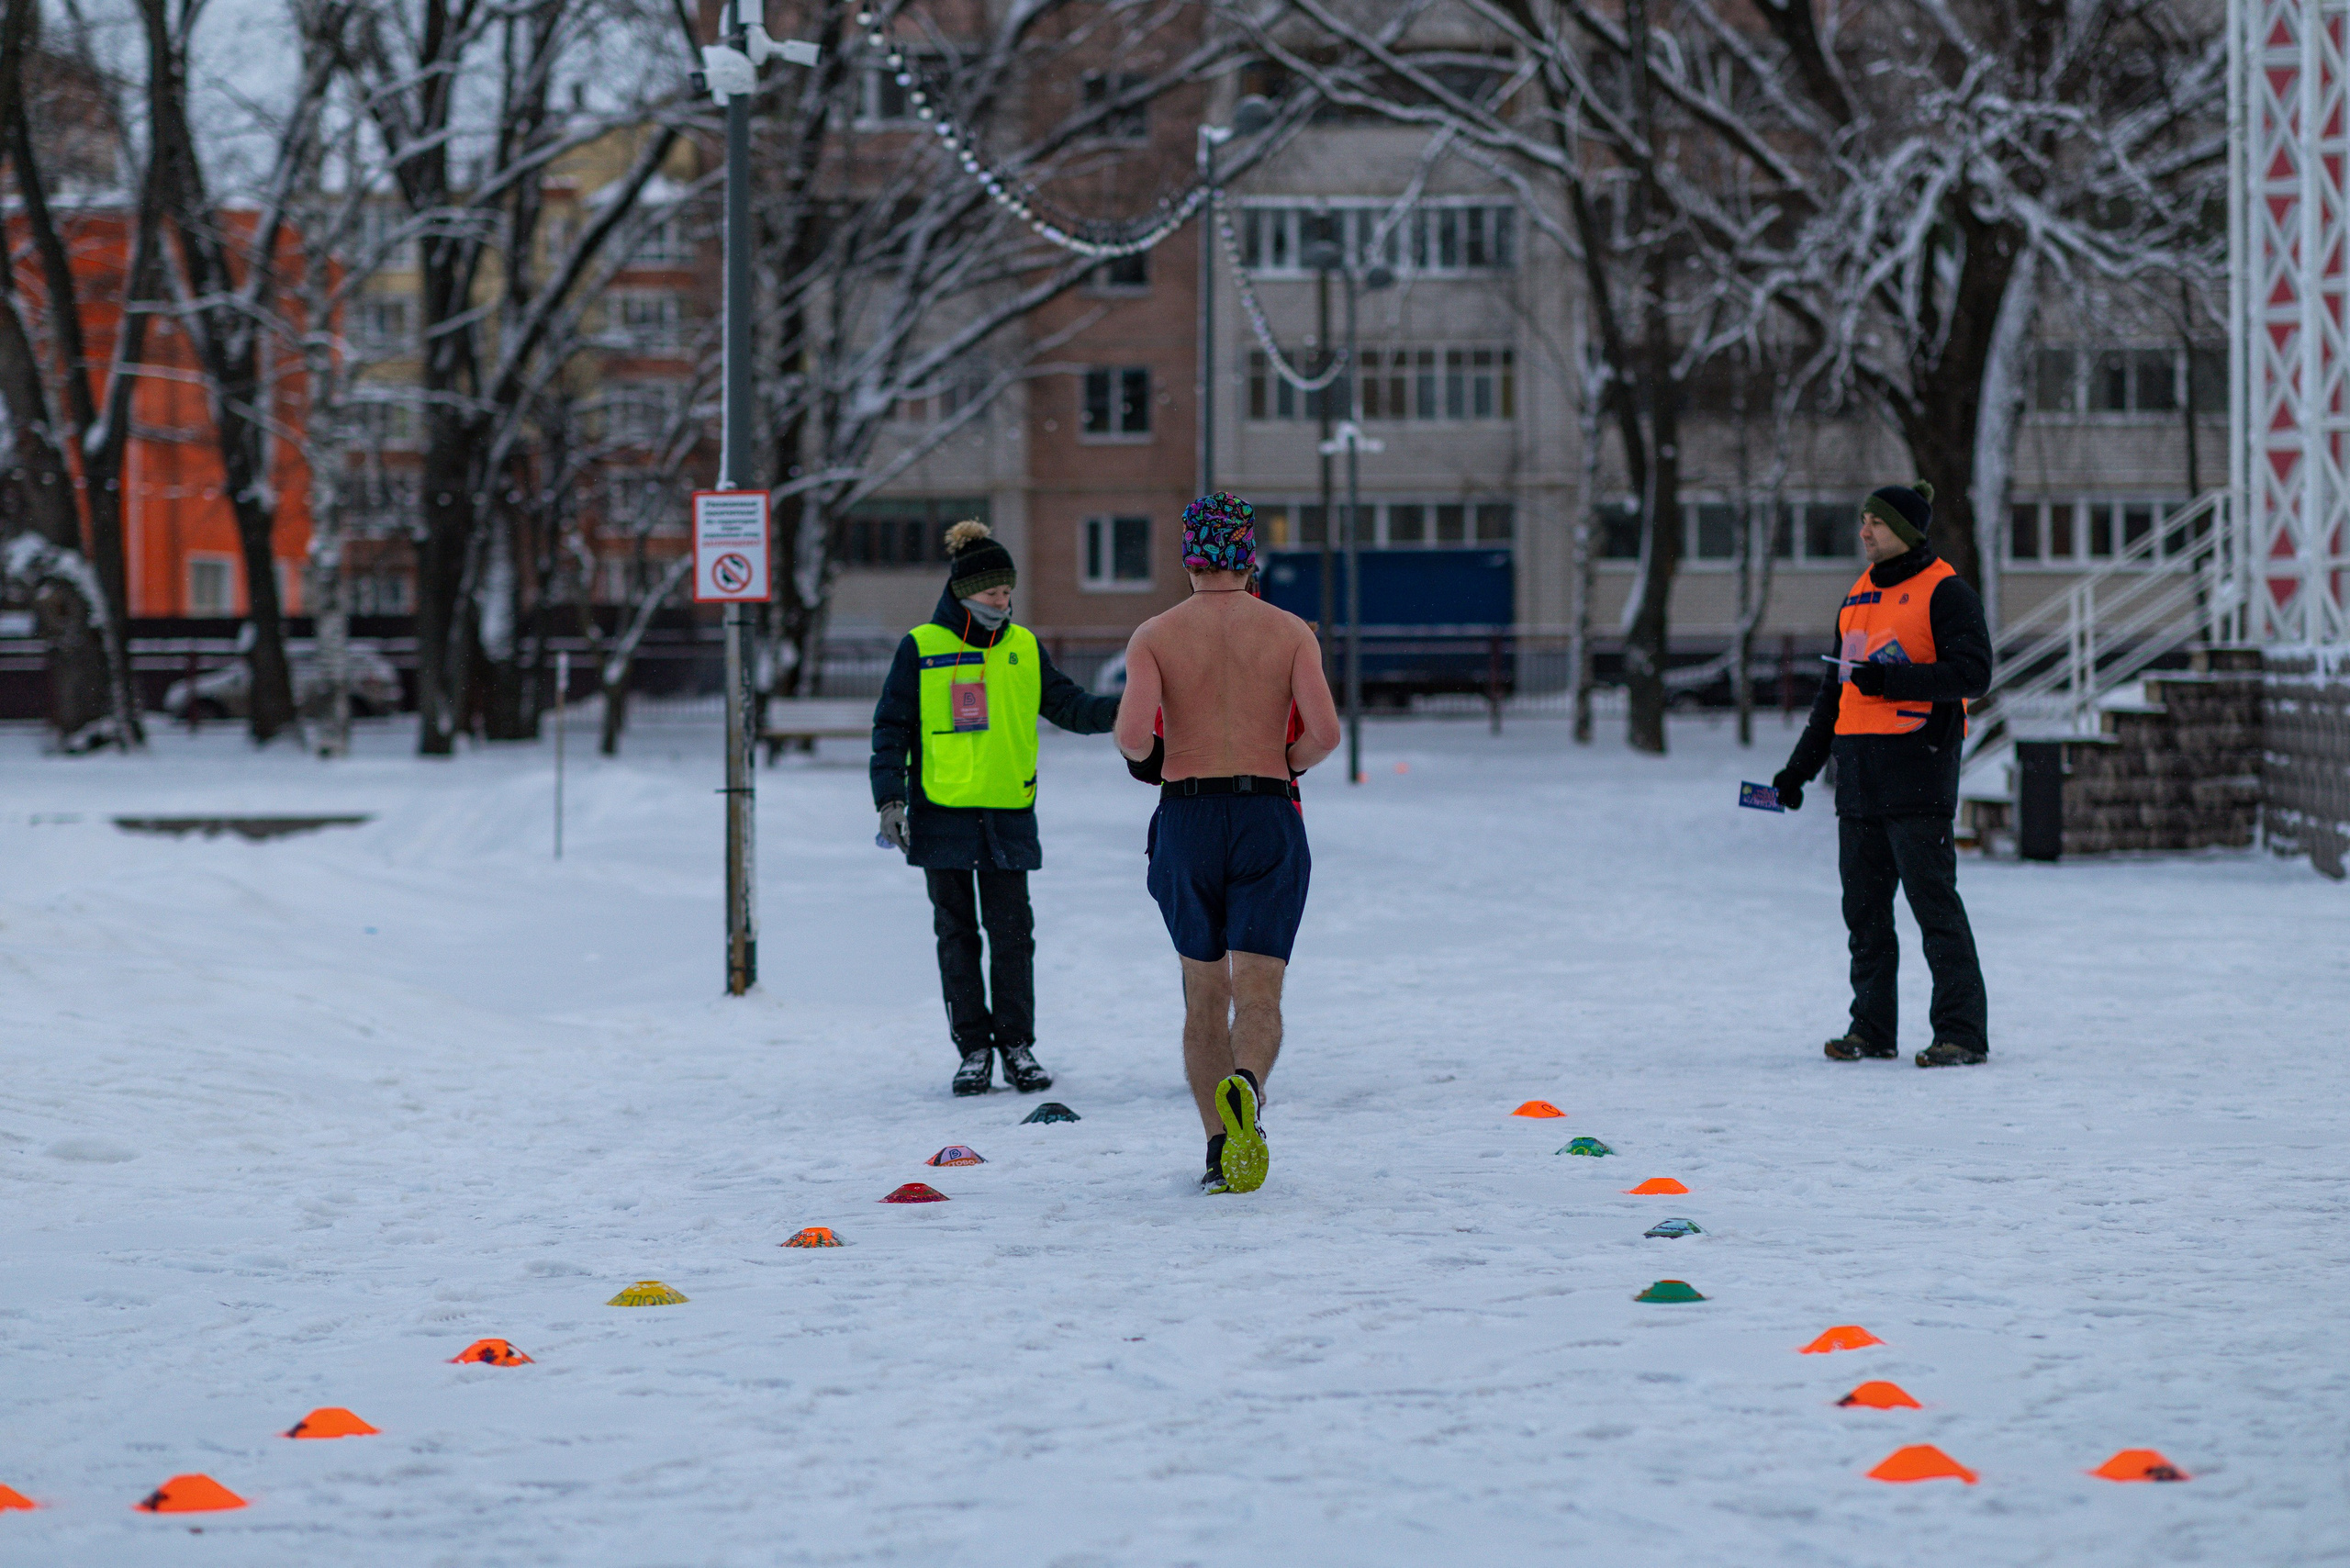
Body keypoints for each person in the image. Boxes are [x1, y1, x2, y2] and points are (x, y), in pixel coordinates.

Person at [1114, 494, 1341, 1193]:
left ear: (1189, 559)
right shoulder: (1289, 632)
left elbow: (1130, 737)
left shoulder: (1155, 633)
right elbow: (1326, 732)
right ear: (1249, 556)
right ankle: (1247, 1083)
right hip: (1267, 813)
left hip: (1187, 817)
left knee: (1205, 995)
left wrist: (1160, 764)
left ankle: (1219, 1149)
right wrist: (1288, 763)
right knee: (1261, 993)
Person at [870, 521, 1121, 1097]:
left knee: (1012, 935)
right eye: (992, 593)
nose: (1002, 602)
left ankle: (1016, 1044)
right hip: (942, 813)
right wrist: (890, 799)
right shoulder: (922, 647)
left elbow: (1069, 706)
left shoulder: (1024, 648)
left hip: (1008, 813)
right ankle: (973, 1050)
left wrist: (1125, 708)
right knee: (956, 935)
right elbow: (892, 728)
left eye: (1008, 593)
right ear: (963, 591)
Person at [1771, 480, 1994, 1068]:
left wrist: (1893, 681)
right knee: (1865, 918)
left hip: (1919, 774)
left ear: (1907, 530)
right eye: (1863, 520)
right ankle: (1871, 1029)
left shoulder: (1945, 592)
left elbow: (1974, 674)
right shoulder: (1856, 597)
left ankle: (1962, 1034)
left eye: (1876, 522)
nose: (1864, 531)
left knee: (1935, 913)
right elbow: (1832, 697)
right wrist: (1796, 773)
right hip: (1859, 781)